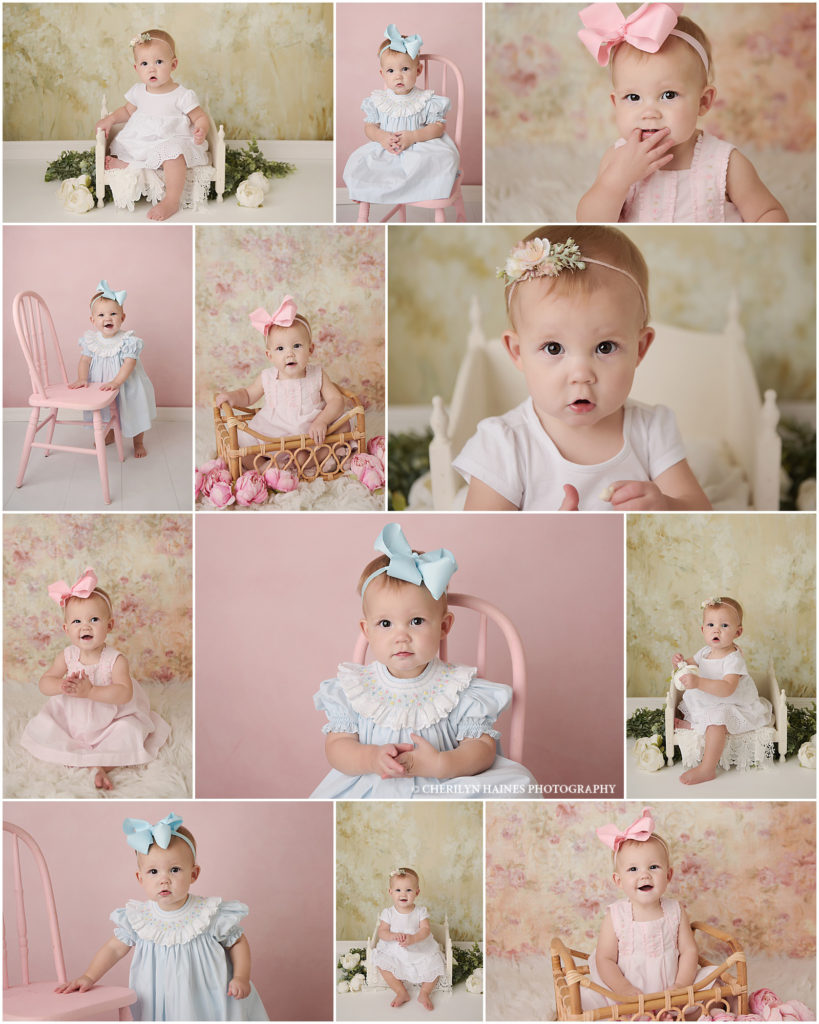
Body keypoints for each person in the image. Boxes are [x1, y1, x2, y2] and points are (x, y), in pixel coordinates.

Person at [453, 226, 710, 510]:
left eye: (605, 347)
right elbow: (485, 541)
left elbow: (700, 513)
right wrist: (554, 536)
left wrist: (666, 507)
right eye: (554, 348)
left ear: (640, 348)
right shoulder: (504, 445)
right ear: (518, 352)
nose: (581, 375)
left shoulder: (651, 431)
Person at [311, 522, 539, 798]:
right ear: (366, 631)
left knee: (518, 784)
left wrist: (443, 764)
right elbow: (337, 747)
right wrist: (369, 758)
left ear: (443, 627)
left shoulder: (456, 687)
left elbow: (482, 748)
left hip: (443, 786)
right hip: (376, 784)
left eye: (416, 621)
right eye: (385, 623)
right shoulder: (355, 687)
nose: (401, 636)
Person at [576, 3, 788, 223]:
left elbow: (767, 213)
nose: (649, 113)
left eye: (668, 95)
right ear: (615, 103)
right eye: (633, 97)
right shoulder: (617, 160)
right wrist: (615, 182)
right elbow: (588, 221)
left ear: (703, 102)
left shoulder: (725, 163)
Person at [55, 813, 269, 1021]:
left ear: (193, 874)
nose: (164, 880)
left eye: (175, 870)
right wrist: (89, 976)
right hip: (160, 1001)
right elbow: (113, 948)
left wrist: (241, 976)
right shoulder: (140, 918)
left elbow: (237, 942)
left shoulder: (208, 913)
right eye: (154, 872)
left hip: (209, 999)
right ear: (140, 878)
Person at [20, 569, 169, 791]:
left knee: (130, 730)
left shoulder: (115, 660)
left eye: (94, 619)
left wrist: (90, 692)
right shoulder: (67, 656)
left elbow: (124, 693)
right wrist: (60, 685)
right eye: (77, 621)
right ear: (66, 629)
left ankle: (99, 765)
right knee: (46, 726)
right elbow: (44, 682)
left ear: (109, 626)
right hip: (73, 719)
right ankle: (89, 761)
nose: (85, 626)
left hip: (110, 720)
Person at [582, 808, 715, 1009]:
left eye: (653, 867)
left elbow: (688, 951)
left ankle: (678, 1013)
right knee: (586, 995)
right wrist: (623, 988)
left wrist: (680, 986)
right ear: (618, 880)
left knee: (714, 982)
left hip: (671, 993)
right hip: (627, 997)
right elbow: (605, 958)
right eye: (633, 869)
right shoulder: (616, 915)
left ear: (668, 876)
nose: (644, 875)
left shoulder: (675, 911)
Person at [214, 296, 346, 471]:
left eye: (297, 346)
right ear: (270, 356)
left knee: (343, 422)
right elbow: (247, 395)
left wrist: (321, 421)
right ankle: (263, 465)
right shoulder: (267, 376)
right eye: (280, 349)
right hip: (273, 431)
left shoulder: (317, 374)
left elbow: (337, 400)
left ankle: (319, 457)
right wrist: (232, 397)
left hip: (308, 432)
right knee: (238, 443)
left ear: (310, 349)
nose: (289, 354)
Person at [343, 25, 460, 214]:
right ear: (382, 74)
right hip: (388, 147)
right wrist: (381, 137)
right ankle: (384, 189)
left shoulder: (427, 100)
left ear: (418, 70)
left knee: (446, 158)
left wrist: (414, 136)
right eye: (390, 71)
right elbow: (369, 127)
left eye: (405, 69)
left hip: (420, 146)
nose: (398, 75)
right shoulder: (378, 101)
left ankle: (421, 189)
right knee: (359, 162)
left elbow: (438, 128)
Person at [96, 29, 210, 221]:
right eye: (144, 63)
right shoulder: (138, 92)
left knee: (173, 155)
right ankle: (128, 164)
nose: (151, 69)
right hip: (145, 140)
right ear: (136, 68)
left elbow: (200, 117)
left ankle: (171, 200)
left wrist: (202, 128)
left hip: (171, 139)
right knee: (129, 148)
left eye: (159, 62)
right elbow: (126, 111)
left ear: (173, 64)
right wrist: (110, 119)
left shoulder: (182, 95)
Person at [673, 596, 772, 785]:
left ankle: (707, 767)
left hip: (733, 702)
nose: (716, 630)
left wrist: (699, 682)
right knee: (696, 706)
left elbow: (728, 689)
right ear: (703, 630)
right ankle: (694, 725)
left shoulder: (733, 659)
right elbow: (690, 663)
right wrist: (680, 662)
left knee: (717, 721)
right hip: (712, 697)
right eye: (710, 624)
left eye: (724, 625)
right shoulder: (704, 652)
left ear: (738, 632)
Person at [69, 281, 156, 458]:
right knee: (105, 411)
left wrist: (117, 381)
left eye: (113, 314)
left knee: (133, 411)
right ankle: (109, 434)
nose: (107, 318)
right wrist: (82, 378)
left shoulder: (128, 340)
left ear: (122, 318)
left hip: (126, 384)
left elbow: (129, 363)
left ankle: (138, 442)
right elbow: (84, 360)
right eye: (101, 315)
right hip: (101, 385)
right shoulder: (91, 340)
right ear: (93, 320)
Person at [371, 867, 447, 1012]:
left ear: (417, 892)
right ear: (390, 892)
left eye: (409, 890)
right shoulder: (388, 913)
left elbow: (425, 930)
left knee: (436, 964)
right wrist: (392, 936)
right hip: (395, 948)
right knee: (382, 964)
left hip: (418, 946)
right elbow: (382, 932)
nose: (403, 894)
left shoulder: (420, 911)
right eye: (398, 890)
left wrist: (413, 938)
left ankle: (424, 993)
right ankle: (401, 992)